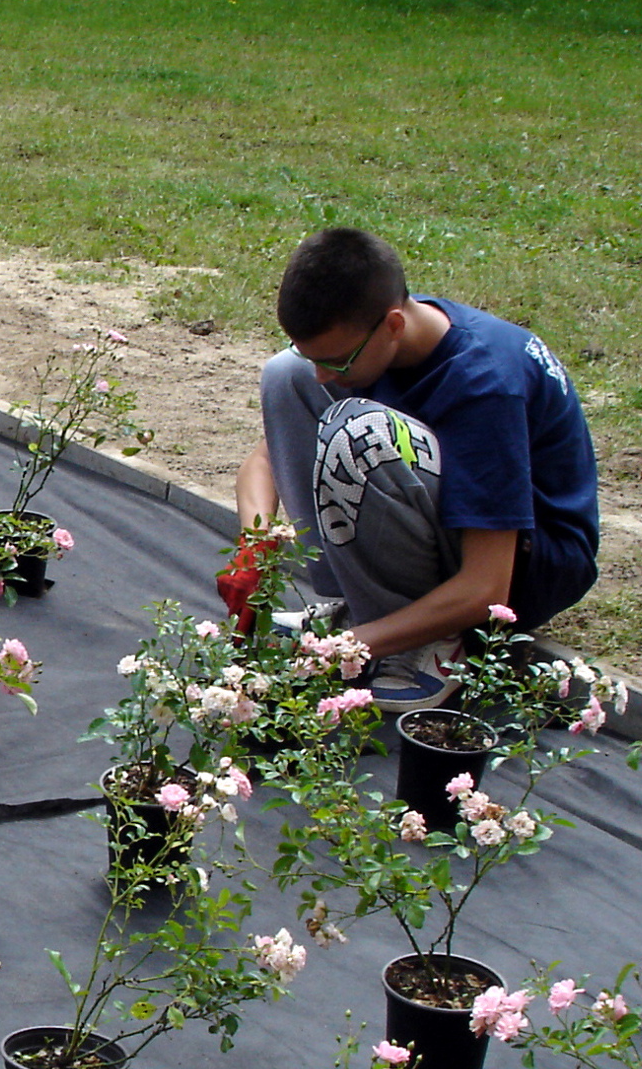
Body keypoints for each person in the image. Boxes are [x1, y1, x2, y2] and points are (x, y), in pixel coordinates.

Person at [222, 228, 599, 711]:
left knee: (359, 435)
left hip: (527, 569)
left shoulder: (484, 385)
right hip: (456, 531)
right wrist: (255, 545)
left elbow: (487, 588)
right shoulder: (381, 335)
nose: (324, 375)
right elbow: (265, 459)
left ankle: (433, 644)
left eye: (337, 361)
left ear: (393, 325)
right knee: (285, 374)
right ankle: (367, 607)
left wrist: (344, 648)